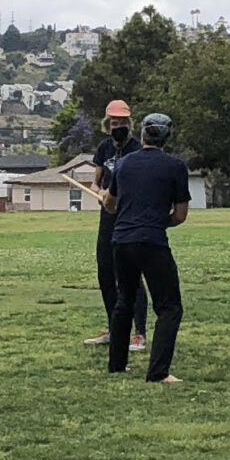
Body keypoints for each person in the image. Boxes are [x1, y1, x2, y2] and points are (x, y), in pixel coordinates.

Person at [104, 113, 191, 382]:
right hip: (152, 241)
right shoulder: (175, 166)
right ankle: (158, 372)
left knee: (124, 302)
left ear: (142, 135)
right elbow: (180, 215)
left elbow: (109, 203)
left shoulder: (125, 163)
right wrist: (157, 221)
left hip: (121, 240)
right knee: (169, 307)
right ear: (167, 137)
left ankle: (116, 365)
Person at [83, 100, 148, 350]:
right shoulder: (103, 149)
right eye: (114, 122)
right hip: (107, 218)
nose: (117, 126)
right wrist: (99, 192)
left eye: (122, 122)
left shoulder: (137, 149)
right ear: (107, 124)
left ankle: (139, 333)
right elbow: (96, 183)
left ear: (129, 124)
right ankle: (114, 328)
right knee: (106, 273)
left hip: (129, 219)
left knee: (131, 275)